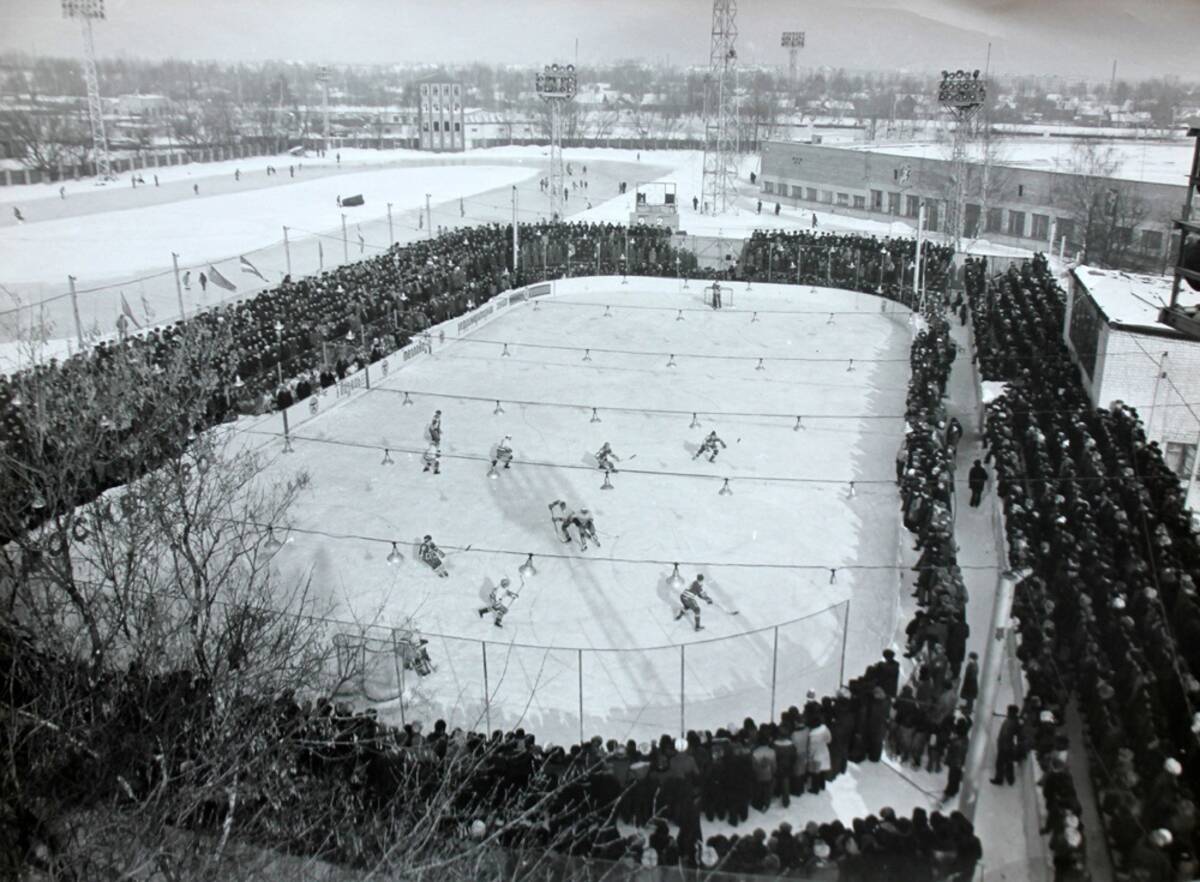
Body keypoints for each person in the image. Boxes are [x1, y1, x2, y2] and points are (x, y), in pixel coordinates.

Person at [991, 704, 1022, 786]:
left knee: (1001, 763)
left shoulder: (1013, 722)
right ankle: (1010, 779)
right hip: (1005, 744)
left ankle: (1000, 779)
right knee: (1008, 763)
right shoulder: (1011, 720)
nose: (1007, 712)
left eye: (1009, 711)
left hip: (1006, 745)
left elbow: (1015, 734)